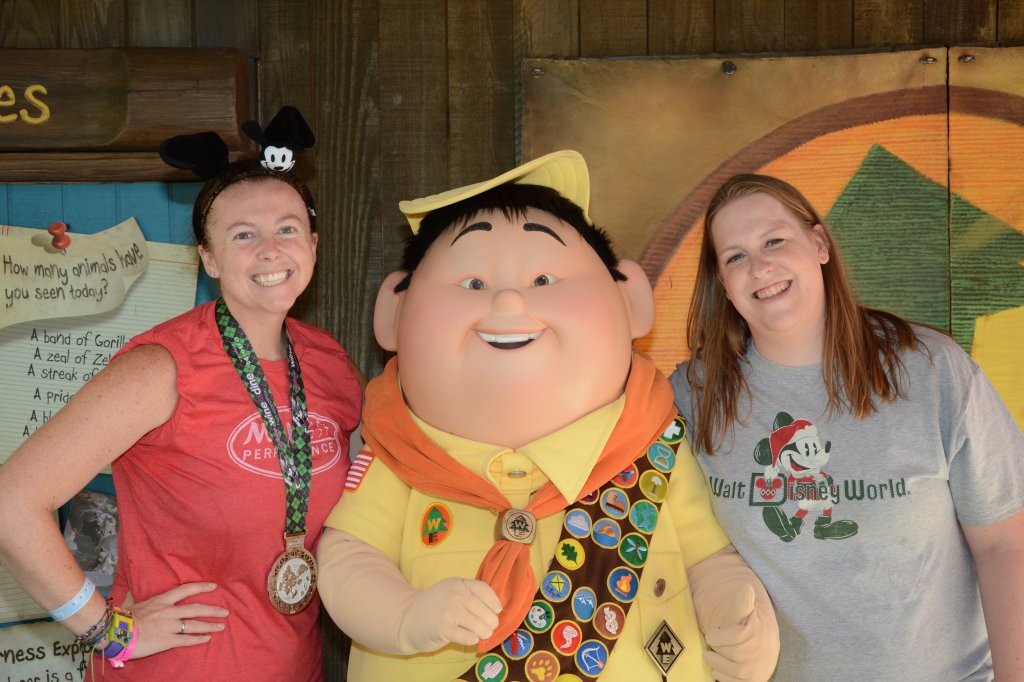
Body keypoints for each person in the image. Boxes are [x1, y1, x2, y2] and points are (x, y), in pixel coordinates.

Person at [316, 150, 780, 681]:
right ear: (394, 312)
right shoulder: (400, 454)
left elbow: (709, 559)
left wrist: (738, 622)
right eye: (472, 284)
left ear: (629, 299)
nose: (509, 301)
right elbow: (349, 557)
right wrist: (404, 616)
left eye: (543, 279)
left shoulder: (653, 447)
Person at [0, 117, 362, 680]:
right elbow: (12, 503)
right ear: (209, 259)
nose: (271, 250)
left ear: (313, 245)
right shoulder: (160, 367)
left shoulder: (329, 363)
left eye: (287, 229)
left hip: (296, 665)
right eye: (243, 235)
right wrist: (109, 632)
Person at [669, 173, 1024, 681]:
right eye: (735, 256)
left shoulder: (931, 370)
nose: (760, 266)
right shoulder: (694, 396)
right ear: (722, 284)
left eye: (774, 241)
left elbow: (1006, 545)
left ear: (819, 244)